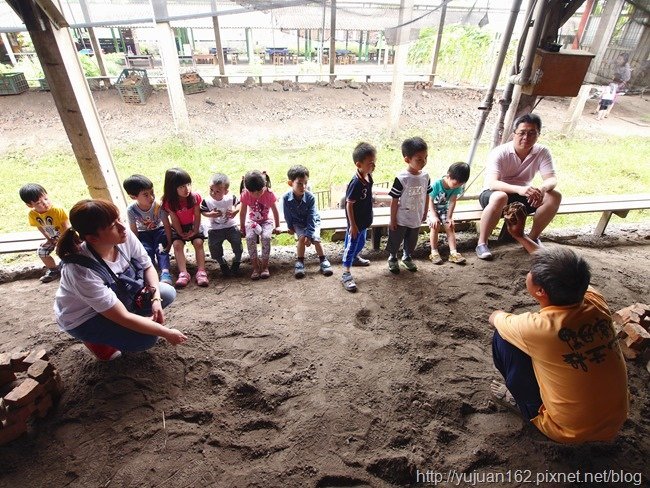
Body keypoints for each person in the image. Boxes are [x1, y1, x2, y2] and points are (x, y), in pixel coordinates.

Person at [488, 215, 628, 443]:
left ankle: (524, 405)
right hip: (614, 421)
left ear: (541, 291)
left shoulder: (537, 327)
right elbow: (561, 272)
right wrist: (521, 237)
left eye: (532, 271)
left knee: (503, 337)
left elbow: (494, 318)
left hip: (567, 431)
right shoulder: (594, 299)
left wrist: (499, 317)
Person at [54, 199, 187, 361]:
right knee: (146, 339)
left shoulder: (122, 235)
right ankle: (96, 341)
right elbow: (123, 317)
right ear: (92, 238)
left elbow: (147, 267)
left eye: (119, 219)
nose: (123, 227)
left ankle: (123, 327)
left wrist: (155, 299)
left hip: (116, 297)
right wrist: (166, 333)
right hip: (85, 317)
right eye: (112, 226)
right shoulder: (81, 271)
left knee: (166, 292)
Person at [476, 113, 561, 260]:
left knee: (554, 195)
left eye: (531, 133)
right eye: (522, 133)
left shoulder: (542, 152)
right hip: (493, 195)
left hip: (523, 196)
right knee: (500, 196)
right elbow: (492, 183)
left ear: (538, 135)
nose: (526, 138)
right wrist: (519, 189)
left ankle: (532, 238)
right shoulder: (500, 152)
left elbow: (552, 179)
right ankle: (482, 243)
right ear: (514, 133)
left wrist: (542, 189)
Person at [386, 137, 431, 274]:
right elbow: (394, 200)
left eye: (425, 158)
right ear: (407, 159)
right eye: (419, 159)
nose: (423, 162)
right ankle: (392, 258)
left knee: (412, 240)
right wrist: (392, 219)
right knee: (396, 238)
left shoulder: (425, 176)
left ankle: (407, 257)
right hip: (401, 218)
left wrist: (425, 211)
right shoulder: (402, 178)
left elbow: (427, 194)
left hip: (416, 217)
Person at [282, 165, 334, 279]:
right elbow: (287, 215)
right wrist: (290, 227)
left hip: (312, 222)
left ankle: (323, 260)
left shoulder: (310, 197)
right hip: (298, 223)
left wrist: (309, 234)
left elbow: (312, 217)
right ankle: (300, 262)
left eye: (305, 183)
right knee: (301, 238)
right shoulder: (286, 198)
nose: (303, 186)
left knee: (316, 238)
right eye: (299, 183)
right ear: (291, 183)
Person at [161, 168, 208, 288]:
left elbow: (197, 215)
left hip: (193, 224)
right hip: (178, 227)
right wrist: (180, 232)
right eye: (181, 186)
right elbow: (174, 218)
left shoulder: (195, 197)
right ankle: (183, 273)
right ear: (172, 188)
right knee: (177, 245)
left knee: (198, 242)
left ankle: (201, 272)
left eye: (188, 184)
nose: (186, 189)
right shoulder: (169, 202)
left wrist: (195, 230)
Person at [123, 175, 173, 285]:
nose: (151, 197)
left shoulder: (158, 206)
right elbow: (134, 229)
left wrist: (169, 242)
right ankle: (150, 271)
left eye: (152, 192)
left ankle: (165, 272)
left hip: (159, 231)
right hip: (143, 234)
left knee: (161, 250)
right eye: (146, 194)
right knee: (146, 251)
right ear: (133, 197)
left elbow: (166, 225)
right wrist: (135, 247)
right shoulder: (131, 210)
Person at [341, 142, 376, 292]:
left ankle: (355, 259)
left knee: (361, 243)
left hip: (365, 220)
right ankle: (346, 273)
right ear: (359, 164)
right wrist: (353, 226)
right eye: (370, 163)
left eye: (374, 162)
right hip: (356, 223)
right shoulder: (356, 183)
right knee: (351, 246)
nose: (373, 166)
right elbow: (349, 204)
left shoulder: (368, 176)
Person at [19, 183, 70, 283]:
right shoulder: (33, 214)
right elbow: (40, 227)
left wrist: (61, 241)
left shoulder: (57, 210)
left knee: (66, 253)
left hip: (66, 237)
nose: (45, 203)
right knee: (42, 252)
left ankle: (69, 271)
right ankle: (54, 270)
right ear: (30, 205)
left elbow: (67, 227)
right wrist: (48, 239)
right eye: (38, 203)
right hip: (53, 238)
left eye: (46, 199)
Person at [239, 170, 281, 280]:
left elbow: (275, 211)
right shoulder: (245, 194)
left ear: (265, 185)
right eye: (253, 192)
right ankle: (255, 267)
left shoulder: (269, 194)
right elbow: (242, 212)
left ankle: (265, 266)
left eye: (260, 190)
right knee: (250, 238)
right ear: (248, 189)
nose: (257, 194)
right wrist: (242, 227)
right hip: (252, 222)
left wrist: (277, 225)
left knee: (266, 237)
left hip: (267, 221)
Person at [200, 173, 243, 277]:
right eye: (211, 190)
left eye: (217, 191)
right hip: (215, 228)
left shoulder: (230, 198)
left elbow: (239, 204)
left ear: (225, 191)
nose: (213, 193)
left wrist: (235, 212)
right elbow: (202, 211)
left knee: (237, 243)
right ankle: (222, 262)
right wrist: (210, 214)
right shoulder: (207, 201)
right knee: (214, 247)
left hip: (230, 226)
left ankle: (237, 260)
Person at [428, 162, 470, 265]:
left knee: (449, 226)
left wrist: (449, 217)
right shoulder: (436, 184)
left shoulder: (457, 186)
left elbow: (452, 201)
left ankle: (453, 253)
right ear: (448, 176)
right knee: (435, 225)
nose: (457, 186)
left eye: (460, 185)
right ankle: (434, 252)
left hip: (443, 209)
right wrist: (433, 216)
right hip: (431, 209)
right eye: (456, 184)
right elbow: (429, 201)